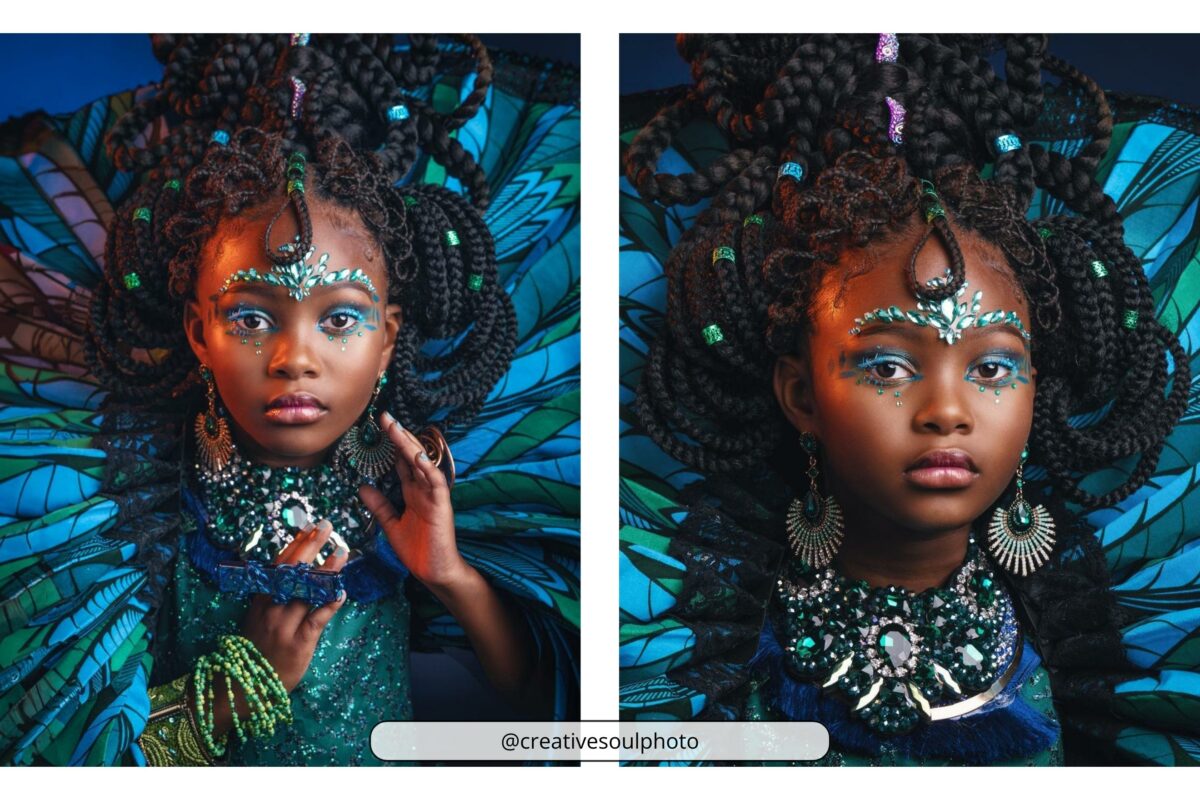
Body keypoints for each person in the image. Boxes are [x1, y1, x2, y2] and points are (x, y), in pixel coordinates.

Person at [0, 33, 580, 766]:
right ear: (198, 333)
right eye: (250, 318)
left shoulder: (406, 498)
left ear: (389, 341)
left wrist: (447, 573)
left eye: (340, 318)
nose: (295, 359)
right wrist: (236, 688)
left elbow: (549, 711)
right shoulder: (129, 507)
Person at [619, 34, 1200, 765]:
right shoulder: (682, 639)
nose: (947, 412)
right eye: (889, 367)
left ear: (1037, 388)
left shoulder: (1103, 648)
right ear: (801, 394)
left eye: (992, 369)